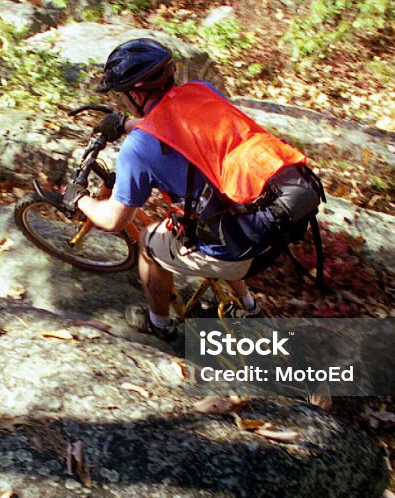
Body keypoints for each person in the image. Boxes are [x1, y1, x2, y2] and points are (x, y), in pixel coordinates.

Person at [63, 38, 294, 342]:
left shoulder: (136, 151)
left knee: (148, 242)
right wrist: (129, 124)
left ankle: (159, 323)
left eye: (121, 95)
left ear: (134, 93)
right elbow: (178, 121)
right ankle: (249, 306)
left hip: (237, 249)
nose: (120, 100)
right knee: (217, 214)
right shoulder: (201, 91)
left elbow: (113, 221)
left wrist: (80, 199)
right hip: (271, 224)